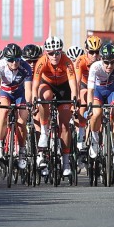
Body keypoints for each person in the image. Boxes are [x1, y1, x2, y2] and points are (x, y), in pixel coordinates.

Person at [32, 36, 78, 177]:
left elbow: (73, 84)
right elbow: (35, 84)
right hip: (48, 85)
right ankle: (45, 131)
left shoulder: (67, 61)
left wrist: (74, 100)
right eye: (51, 53)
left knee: (64, 125)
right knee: (44, 98)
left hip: (64, 88)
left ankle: (65, 162)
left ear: (61, 52)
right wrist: (34, 99)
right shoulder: (42, 61)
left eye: (57, 52)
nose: (54, 56)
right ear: (46, 53)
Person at [87, 42, 114, 167]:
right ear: (101, 59)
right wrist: (90, 105)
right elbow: (90, 90)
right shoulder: (95, 67)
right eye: (106, 62)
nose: (109, 65)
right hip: (98, 91)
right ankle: (94, 140)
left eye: (112, 62)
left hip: (113, 91)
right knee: (97, 113)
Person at [0, 43, 33, 166]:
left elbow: (28, 90)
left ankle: (21, 151)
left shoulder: (26, 67)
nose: (14, 63)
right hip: (5, 92)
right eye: (10, 60)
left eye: (17, 60)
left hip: (19, 92)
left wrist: (29, 104)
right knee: (4, 111)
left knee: (21, 121)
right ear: (6, 59)